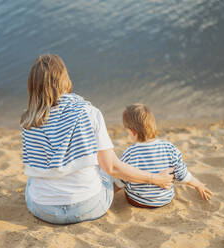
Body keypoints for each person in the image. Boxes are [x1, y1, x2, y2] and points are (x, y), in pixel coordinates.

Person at [20, 54, 174, 224]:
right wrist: (155, 179)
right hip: (88, 207)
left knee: (31, 180)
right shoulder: (88, 112)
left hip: (44, 210)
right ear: (64, 79)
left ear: (33, 86)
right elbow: (112, 167)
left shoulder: (28, 121)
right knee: (102, 165)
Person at [114, 104, 213, 207]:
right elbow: (183, 175)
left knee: (125, 180)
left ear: (132, 132)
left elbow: (120, 180)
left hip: (138, 201)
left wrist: (110, 192)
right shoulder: (170, 148)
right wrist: (198, 184)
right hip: (165, 199)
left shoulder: (130, 153)